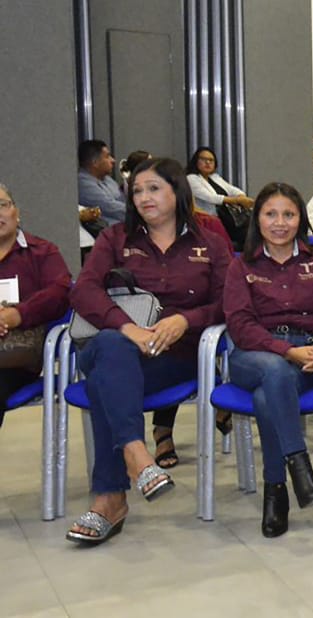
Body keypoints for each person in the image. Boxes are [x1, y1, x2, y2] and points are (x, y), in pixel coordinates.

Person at [65, 158, 231, 546]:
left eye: (154, 188)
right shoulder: (115, 238)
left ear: (177, 191)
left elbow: (229, 302)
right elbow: (84, 290)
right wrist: (128, 329)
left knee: (104, 385)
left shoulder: (210, 243)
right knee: (111, 347)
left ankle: (110, 499)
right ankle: (138, 455)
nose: (143, 197)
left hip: (175, 356)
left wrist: (185, 320)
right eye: (137, 191)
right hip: (113, 345)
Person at [222, 182, 313, 537]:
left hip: (311, 354)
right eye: (271, 214)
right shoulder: (241, 266)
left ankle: (276, 488)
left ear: (301, 219)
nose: (280, 223)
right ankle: (298, 460)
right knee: (274, 369)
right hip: (254, 354)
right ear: (257, 219)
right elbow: (240, 325)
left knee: (268, 396)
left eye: (289, 215)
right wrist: (286, 351)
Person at [0, 182, 71, 428]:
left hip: (14, 359)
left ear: (17, 212)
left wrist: (16, 315)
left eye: (2, 205)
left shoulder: (41, 252)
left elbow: (60, 292)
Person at [185, 147, 254, 242]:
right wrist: (237, 200)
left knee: (254, 225)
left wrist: (241, 197)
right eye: (203, 159)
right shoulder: (191, 178)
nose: (207, 162)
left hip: (228, 218)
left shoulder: (215, 177)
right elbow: (211, 198)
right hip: (210, 221)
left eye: (211, 160)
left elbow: (233, 190)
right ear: (196, 161)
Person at [77, 140, 125, 230]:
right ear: (95, 162)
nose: (113, 160)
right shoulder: (83, 184)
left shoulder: (107, 179)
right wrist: (139, 212)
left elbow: (123, 200)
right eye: (107, 156)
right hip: (110, 232)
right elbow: (110, 207)